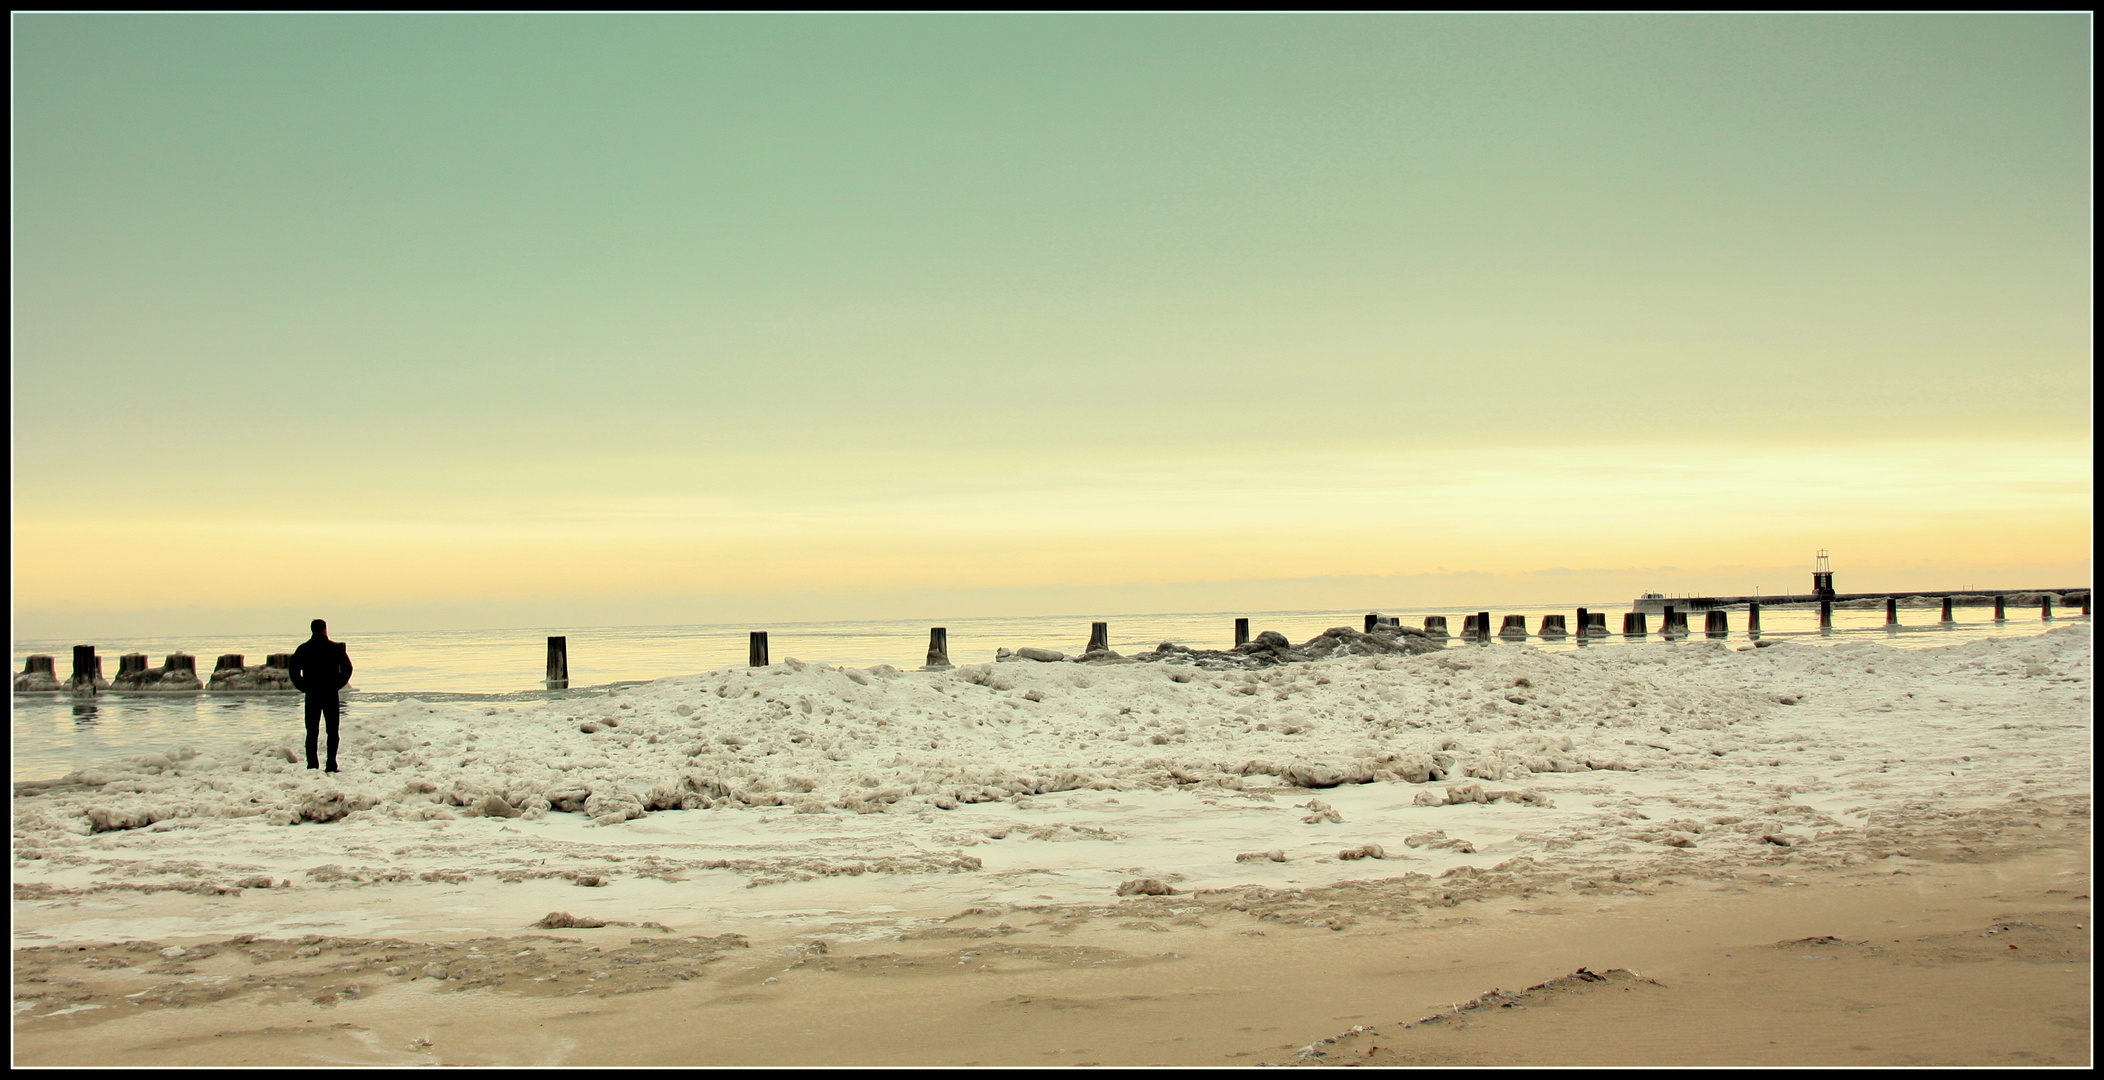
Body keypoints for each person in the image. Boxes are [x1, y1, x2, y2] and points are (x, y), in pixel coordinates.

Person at [288, 619, 354, 773]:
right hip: (330, 693)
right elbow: (347, 669)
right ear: (325, 629)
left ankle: (312, 765)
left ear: (312, 630)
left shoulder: (304, 649)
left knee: (311, 732)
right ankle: (331, 764)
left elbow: (293, 671)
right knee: (332, 731)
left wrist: (303, 686)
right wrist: (337, 684)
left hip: (312, 694)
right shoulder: (335, 648)